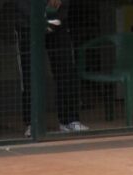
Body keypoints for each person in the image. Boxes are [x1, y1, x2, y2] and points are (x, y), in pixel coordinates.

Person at [15, 0, 89, 137]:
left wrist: (57, 7)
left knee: (66, 69)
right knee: (30, 74)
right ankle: (33, 123)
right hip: (28, 24)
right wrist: (38, 16)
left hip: (57, 22)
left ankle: (69, 120)